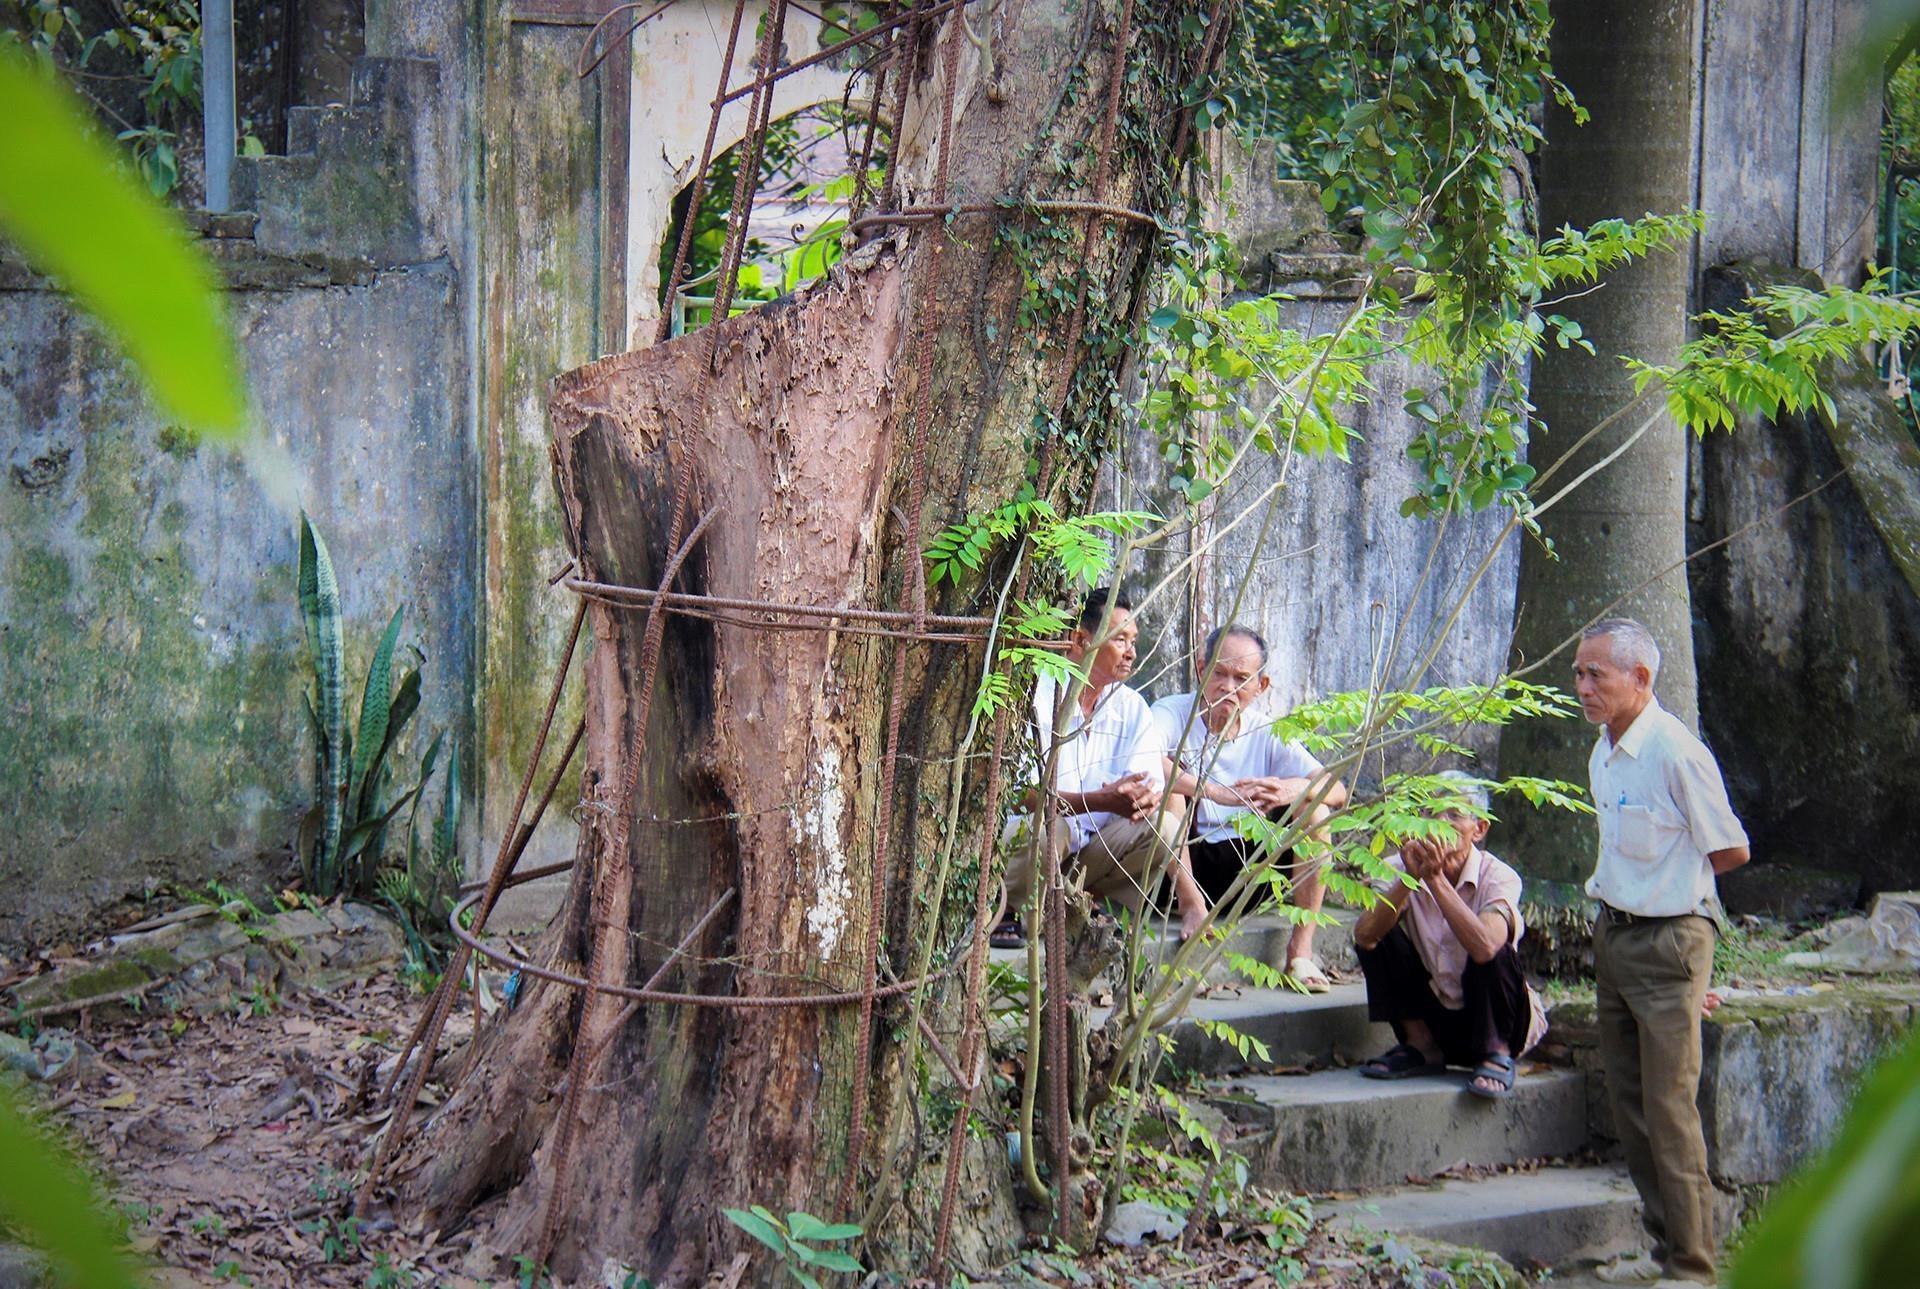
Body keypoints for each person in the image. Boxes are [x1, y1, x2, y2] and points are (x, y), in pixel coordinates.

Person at [1574, 619, 1749, 1287]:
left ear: (1640, 679)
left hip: (1671, 937)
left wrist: (1677, 890)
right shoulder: (1604, 748)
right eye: (1579, 674)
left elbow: (1731, 847)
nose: (1583, 686)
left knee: (1671, 1107)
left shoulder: (1676, 752)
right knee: (1630, 1103)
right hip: (1614, 933)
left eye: (1597, 674)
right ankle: (1662, 1246)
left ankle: (1694, 1265)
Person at [993, 588, 1209, 948]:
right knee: (1052, 829)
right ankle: (1012, 909)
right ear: (1080, 640)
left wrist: (1137, 797)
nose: (1132, 652)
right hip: (1038, 846)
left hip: (1089, 853)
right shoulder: (1036, 694)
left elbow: (1146, 786)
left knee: (1164, 824)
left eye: (1134, 640)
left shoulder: (1131, 707)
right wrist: (1101, 800)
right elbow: (1016, 795)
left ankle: (1082, 904)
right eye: (1120, 639)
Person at [1150, 625, 1349, 989]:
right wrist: (1216, 792)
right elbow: (1146, 762)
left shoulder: (1267, 731)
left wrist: (1293, 787)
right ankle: (1192, 905)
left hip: (1249, 870)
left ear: (1262, 685)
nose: (1228, 687)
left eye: (1241, 678)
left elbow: (1337, 790)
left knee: (1315, 809)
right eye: (1219, 673)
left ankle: (1300, 953)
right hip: (1184, 867)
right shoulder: (1172, 712)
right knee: (1170, 789)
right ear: (1200, 669)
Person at [1350, 772, 1547, 1098]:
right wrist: (1409, 880)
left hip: (1500, 1020)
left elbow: (1485, 948)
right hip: (1438, 1016)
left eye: (1454, 814)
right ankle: (1421, 1044)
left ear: (1479, 829)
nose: (1439, 823)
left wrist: (1435, 879)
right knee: (1378, 930)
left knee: (1494, 944)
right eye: (1431, 813)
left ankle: (1495, 1052)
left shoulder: (1499, 877)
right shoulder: (1399, 865)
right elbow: (1365, 936)